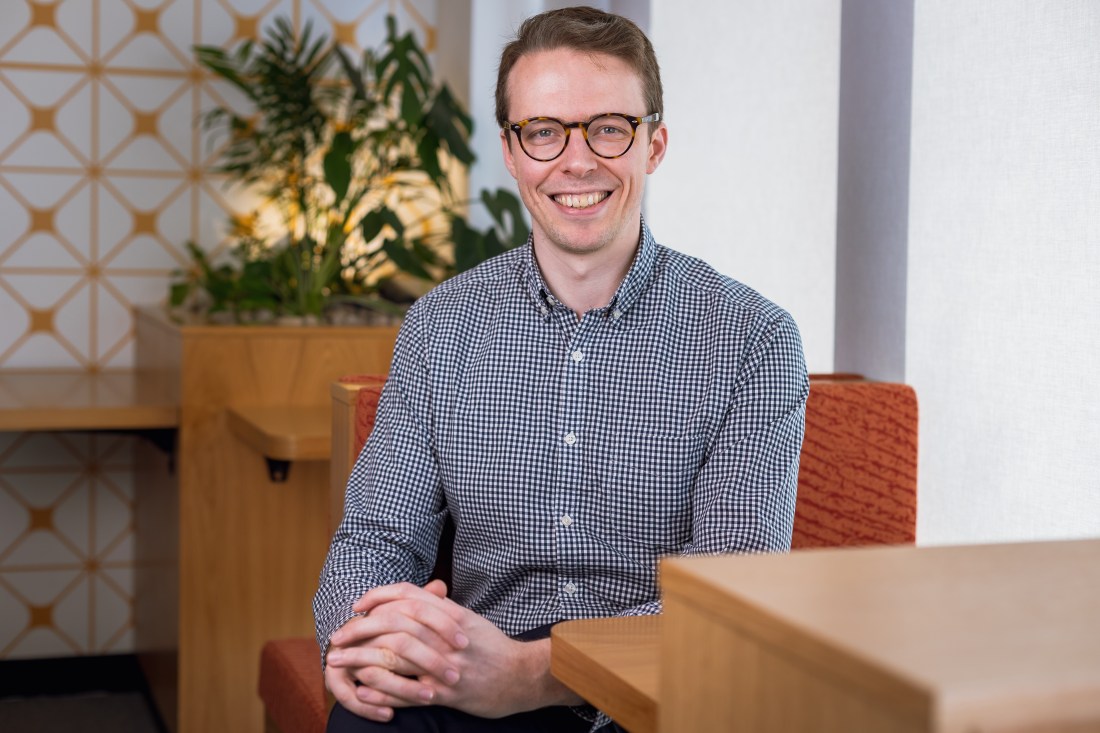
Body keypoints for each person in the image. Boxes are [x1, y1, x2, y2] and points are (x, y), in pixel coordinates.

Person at [314, 6, 808, 732]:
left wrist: (535, 673)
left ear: (654, 144)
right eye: (543, 132)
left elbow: (730, 593)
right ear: (513, 154)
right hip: (466, 679)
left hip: (657, 699)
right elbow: (377, 538)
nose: (577, 161)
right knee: (365, 720)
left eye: (608, 127)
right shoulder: (440, 326)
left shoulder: (752, 337)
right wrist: (365, 639)